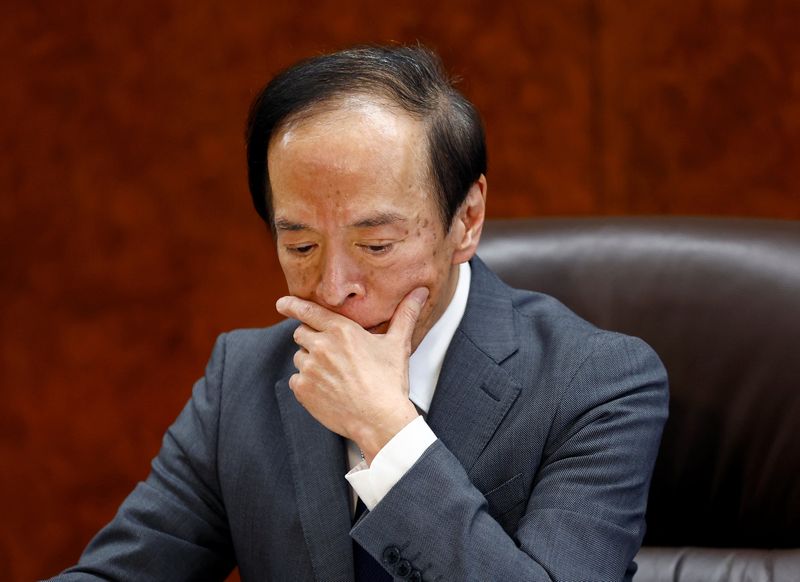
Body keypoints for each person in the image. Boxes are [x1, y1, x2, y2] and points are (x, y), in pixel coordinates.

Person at [53, 45, 668, 582]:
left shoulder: (597, 384)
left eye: (375, 245)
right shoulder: (240, 381)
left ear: (467, 220)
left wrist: (388, 434)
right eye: (300, 246)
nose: (333, 287)